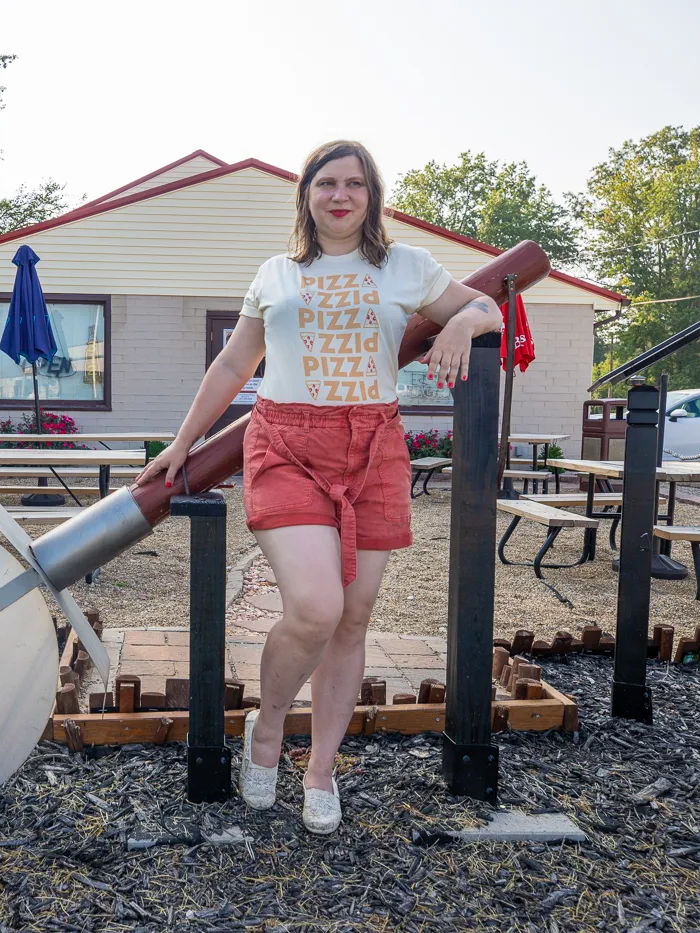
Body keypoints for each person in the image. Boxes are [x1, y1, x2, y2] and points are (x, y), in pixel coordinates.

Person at [136, 140, 504, 834]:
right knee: (315, 605)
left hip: (373, 448)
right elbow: (233, 363)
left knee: (354, 616)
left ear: (373, 196)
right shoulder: (277, 274)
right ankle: (268, 726)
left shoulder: (406, 267)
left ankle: (322, 768)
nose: (341, 195)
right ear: (306, 194)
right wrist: (182, 443)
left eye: (354, 184)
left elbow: (490, 307)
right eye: (326, 183)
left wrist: (459, 319)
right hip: (285, 444)